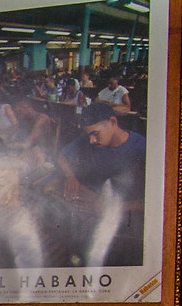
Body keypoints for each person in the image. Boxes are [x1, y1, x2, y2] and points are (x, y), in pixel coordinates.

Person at [56, 102, 148, 266]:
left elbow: (153, 203)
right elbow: (61, 156)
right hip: (93, 203)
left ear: (113, 122)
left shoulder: (141, 149)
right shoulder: (90, 139)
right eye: (89, 135)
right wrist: (71, 176)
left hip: (124, 216)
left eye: (95, 134)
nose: (91, 140)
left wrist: (112, 208)